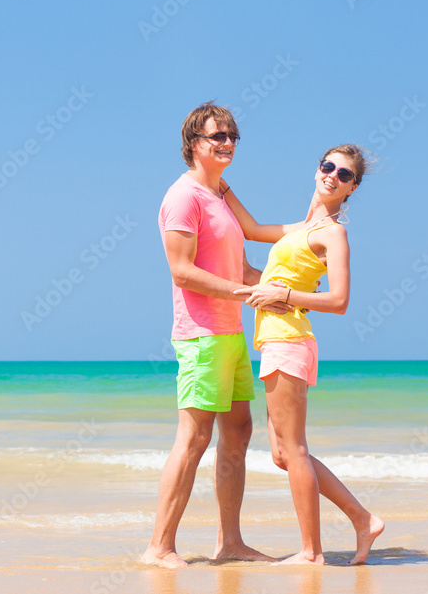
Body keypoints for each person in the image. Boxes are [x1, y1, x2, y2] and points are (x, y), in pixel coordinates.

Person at [224, 144, 385, 565]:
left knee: (293, 451)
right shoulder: (299, 228)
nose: (333, 175)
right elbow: (251, 228)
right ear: (317, 170)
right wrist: (218, 187)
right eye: (328, 166)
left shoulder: (333, 233)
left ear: (351, 189)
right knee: (282, 454)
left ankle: (312, 552)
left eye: (344, 174)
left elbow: (340, 300)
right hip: (275, 340)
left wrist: (285, 294)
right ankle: (362, 518)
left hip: (290, 340)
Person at [143, 102, 285, 568]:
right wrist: (245, 291)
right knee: (194, 436)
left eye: (231, 137)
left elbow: (241, 267)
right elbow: (182, 272)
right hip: (200, 334)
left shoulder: (219, 195)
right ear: (192, 144)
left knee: (239, 431)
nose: (226, 143)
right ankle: (159, 547)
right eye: (216, 137)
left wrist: (289, 290)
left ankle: (230, 543)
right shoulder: (182, 197)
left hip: (232, 331)